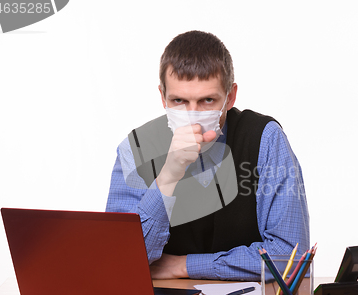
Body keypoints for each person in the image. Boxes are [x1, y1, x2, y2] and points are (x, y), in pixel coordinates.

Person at [106, 30, 309, 281]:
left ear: (230, 96)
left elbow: (290, 256)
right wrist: (169, 175)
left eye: (207, 100)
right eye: (179, 100)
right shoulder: (134, 150)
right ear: (162, 97)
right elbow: (122, 259)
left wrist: (184, 266)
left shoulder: (265, 138)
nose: (192, 115)